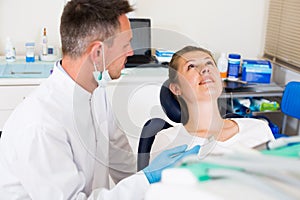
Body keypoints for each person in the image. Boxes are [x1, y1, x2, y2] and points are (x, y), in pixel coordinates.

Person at [0, 1, 200, 199]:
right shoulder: (40, 125)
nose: (131, 52)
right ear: (97, 53)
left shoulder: (96, 93)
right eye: (125, 44)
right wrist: (147, 179)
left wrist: (150, 186)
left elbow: (120, 158)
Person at [150, 46, 275, 160]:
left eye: (209, 63)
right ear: (176, 89)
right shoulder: (168, 141)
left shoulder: (258, 128)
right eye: (191, 66)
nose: (204, 69)